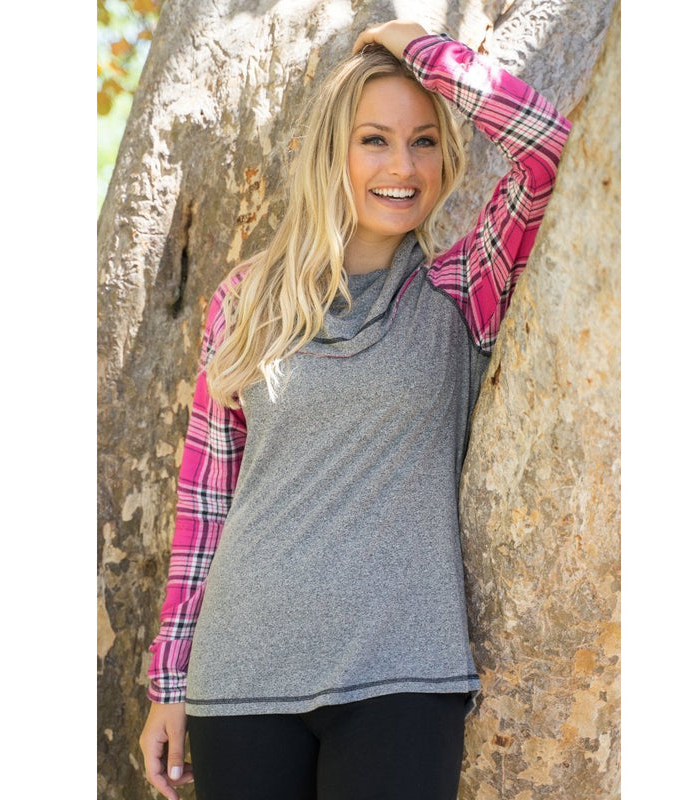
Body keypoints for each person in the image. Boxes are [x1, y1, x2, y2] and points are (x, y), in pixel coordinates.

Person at [139, 18, 570, 800]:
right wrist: (170, 679)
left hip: (402, 674)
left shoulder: (460, 290)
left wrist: (418, 46)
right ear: (331, 153)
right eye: (374, 140)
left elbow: (544, 148)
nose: (402, 166)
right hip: (239, 673)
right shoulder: (245, 302)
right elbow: (205, 503)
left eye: (424, 142)